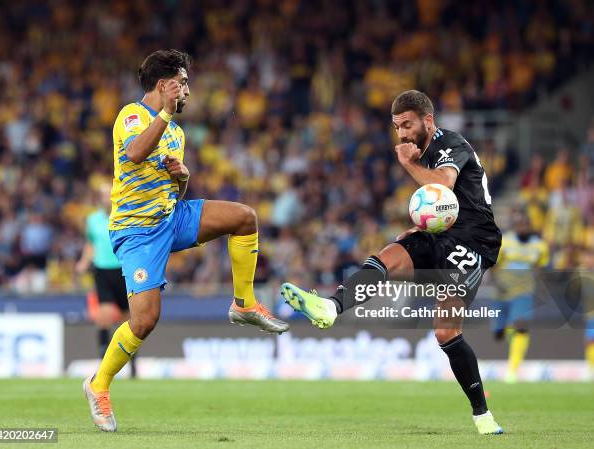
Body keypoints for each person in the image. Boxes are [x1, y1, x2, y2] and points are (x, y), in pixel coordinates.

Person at [83, 49, 289, 432]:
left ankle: (243, 303)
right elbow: (135, 152)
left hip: (170, 217)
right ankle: (98, 385)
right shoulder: (133, 116)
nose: (188, 92)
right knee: (145, 320)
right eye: (182, 83)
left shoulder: (175, 132)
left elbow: (174, 191)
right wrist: (164, 114)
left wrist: (182, 177)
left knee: (244, 217)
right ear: (164, 85)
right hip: (137, 230)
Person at [281, 90, 504, 434]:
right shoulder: (423, 147)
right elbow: (445, 204)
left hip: (474, 241)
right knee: (385, 258)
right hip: (440, 233)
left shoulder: (450, 144)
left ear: (428, 121)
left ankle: (482, 416)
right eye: (396, 126)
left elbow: (444, 186)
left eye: (407, 125)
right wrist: (421, 225)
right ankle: (330, 307)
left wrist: (408, 163)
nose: (401, 134)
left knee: (445, 331)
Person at [76, 181, 136, 378]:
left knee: (131, 318)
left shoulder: (125, 216)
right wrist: (84, 262)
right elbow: (91, 243)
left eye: (107, 194)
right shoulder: (93, 220)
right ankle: (103, 362)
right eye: (102, 194)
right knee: (103, 316)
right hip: (102, 270)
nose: (105, 198)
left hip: (122, 269)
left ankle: (133, 365)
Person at [490, 206, 549, 383]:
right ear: (514, 227)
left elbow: (540, 266)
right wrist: (496, 282)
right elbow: (494, 265)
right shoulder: (505, 243)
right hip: (503, 291)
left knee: (521, 325)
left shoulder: (540, 246)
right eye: (519, 225)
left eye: (526, 225)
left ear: (530, 226)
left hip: (524, 291)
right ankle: (503, 329)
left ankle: (512, 370)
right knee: (498, 332)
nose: (523, 228)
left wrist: (536, 283)